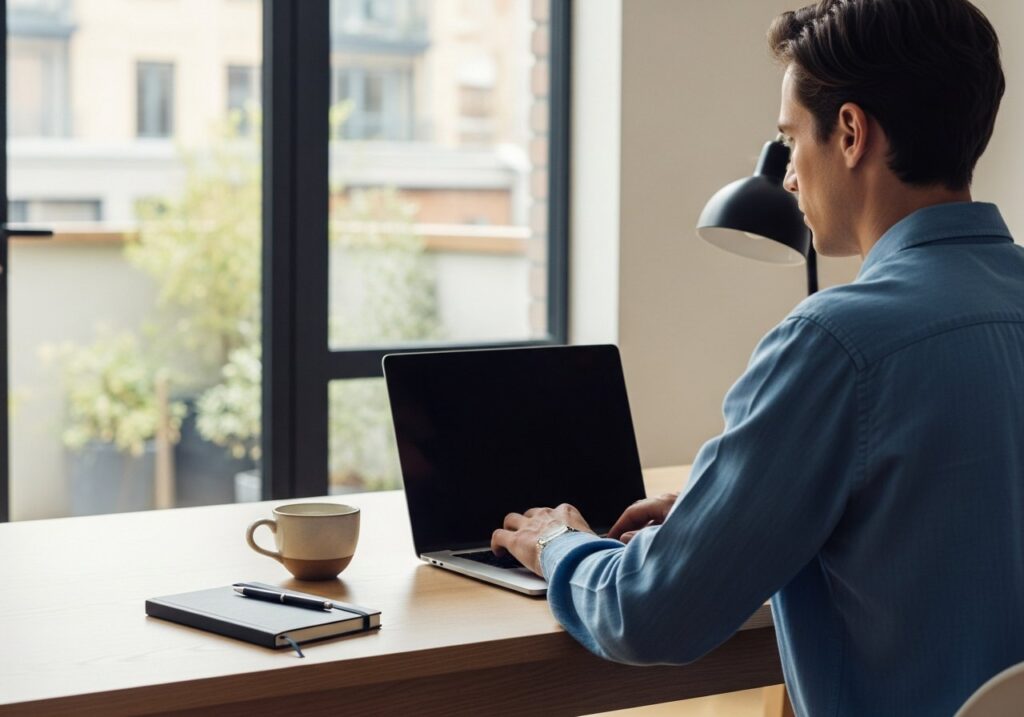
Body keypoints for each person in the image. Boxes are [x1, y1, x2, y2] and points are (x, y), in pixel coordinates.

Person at [490, 1, 1024, 714]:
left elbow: (652, 613)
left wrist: (559, 544)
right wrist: (734, 507)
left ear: (851, 132)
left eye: (789, 138)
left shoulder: (839, 343)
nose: (790, 176)